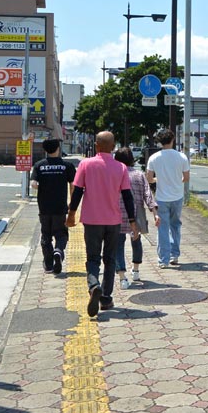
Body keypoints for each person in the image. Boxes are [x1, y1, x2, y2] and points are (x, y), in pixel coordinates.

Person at [66, 131, 136, 317]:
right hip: (114, 221)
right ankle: (105, 298)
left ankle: (94, 285)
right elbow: (128, 197)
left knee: (92, 258)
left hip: (91, 220)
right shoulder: (121, 168)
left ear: (96, 145)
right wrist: (133, 221)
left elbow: (78, 191)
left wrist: (71, 214)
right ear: (113, 147)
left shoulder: (86, 164)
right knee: (110, 259)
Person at [113, 148, 158, 288]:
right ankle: (136, 270)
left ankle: (122, 278)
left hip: (117, 212)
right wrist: (155, 212)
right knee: (136, 241)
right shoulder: (139, 174)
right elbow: (147, 194)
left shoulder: (114, 174)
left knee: (118, 245)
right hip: (136, 212)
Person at [29, 139, 75, 274]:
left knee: (46, 235)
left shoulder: (39, 165)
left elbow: (33, 184)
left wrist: (38, 185)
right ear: (58, 149)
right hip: (60, 207)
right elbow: (73, 185)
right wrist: (72, 202)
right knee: (61, 233)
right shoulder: (67, 165)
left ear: (45, 150)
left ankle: (48, 265)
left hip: (44, 207)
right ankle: (58, 251)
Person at [146, 129, 190, 268]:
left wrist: (159, 179)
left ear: (159, 141)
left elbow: (149, 179)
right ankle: (174, 255)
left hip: (161, 197)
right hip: (177, 196)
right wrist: (176, 180)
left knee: (162, 228)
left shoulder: (154, 158)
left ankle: (164, 260)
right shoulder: (182, 157)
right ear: (173, 140)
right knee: (175, 225)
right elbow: (186, 178)